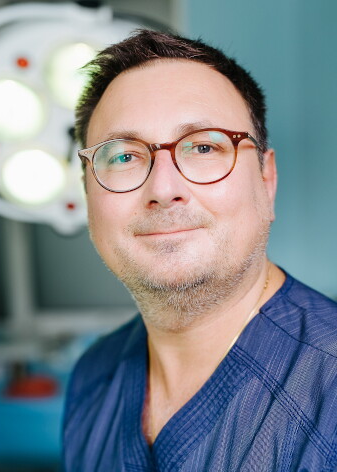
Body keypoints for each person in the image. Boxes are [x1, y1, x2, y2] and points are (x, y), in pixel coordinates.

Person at [62, 29, 337, 471]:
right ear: (87, 194)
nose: (163, 189)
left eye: (204, 147)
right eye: (124, 156)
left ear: (266, 181)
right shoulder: (92, 377)